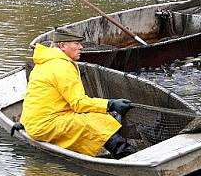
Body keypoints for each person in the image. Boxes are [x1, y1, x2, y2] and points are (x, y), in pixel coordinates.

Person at [20, 27, 136, 158]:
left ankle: (109, 151)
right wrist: (110, 104)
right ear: (62, 45)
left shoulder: (46, 61)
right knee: (94, 124)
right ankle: (128, 156)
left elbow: (33, 98)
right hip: (45, 124)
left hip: (36, 122)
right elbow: (78, 104)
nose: (81, 47)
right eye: (76, 43)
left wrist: (24, 122)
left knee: (98, 117)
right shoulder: (61, 66)